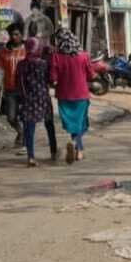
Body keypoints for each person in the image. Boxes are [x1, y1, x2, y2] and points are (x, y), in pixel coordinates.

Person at [50, 28, 95, 164]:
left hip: (64, 96)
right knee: (80, 123)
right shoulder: (84, 56)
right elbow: (91, 75)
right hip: (81, 94)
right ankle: (77, 146)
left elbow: (53, 78)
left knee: (73, 124)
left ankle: (78, 148)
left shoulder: (56, 57)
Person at [15, 38, 53, 167]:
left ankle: (30, 156)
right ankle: (53, 151)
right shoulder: (43, 64)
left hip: (28, 99)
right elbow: (50, 79)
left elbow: (19, 83)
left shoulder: (21, 64)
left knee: (29, 128)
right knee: (49, 124)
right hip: (43, 98)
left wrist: (22, 96)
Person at [0, 22, 26, 147]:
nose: (14, 37)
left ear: (21, 35)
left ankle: (26, 141)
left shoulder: (28, 49)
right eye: (11, 34)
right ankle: (21, 132)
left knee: (26, 116)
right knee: (10, 117)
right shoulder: (3, 51)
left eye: (16, 34)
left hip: (25, 89)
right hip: (10, 89)